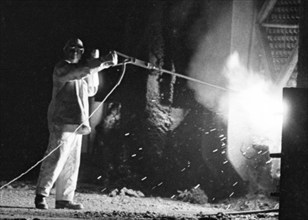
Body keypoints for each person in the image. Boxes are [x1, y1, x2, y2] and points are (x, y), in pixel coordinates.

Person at [35, 38, 117, 210]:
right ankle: (42, 194)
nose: (75, 51)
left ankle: (64, 198)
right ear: (65, 50)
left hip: (77, 122)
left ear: (82, 51)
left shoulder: (81, 71)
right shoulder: (62, 68)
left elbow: (92, 89)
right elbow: (79, 71)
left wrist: (99, 65)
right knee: (56, 157)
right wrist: (101, 61)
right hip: (62, 120)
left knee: (72, 161)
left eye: (78, 48)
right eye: (71, 47)